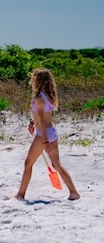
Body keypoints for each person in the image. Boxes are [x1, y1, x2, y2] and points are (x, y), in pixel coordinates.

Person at [12, 69, 80, 201]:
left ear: (38, 81)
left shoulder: (38, 98)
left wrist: (45, 142)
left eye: (34, 78)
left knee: (28, 163)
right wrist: (33, 122)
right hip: (51, 132)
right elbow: (42, 116)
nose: (32, 81)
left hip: (43, 135)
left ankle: (20, 195)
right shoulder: (47, 96)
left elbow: (42, 121)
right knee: (56, 164)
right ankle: (74, 192)